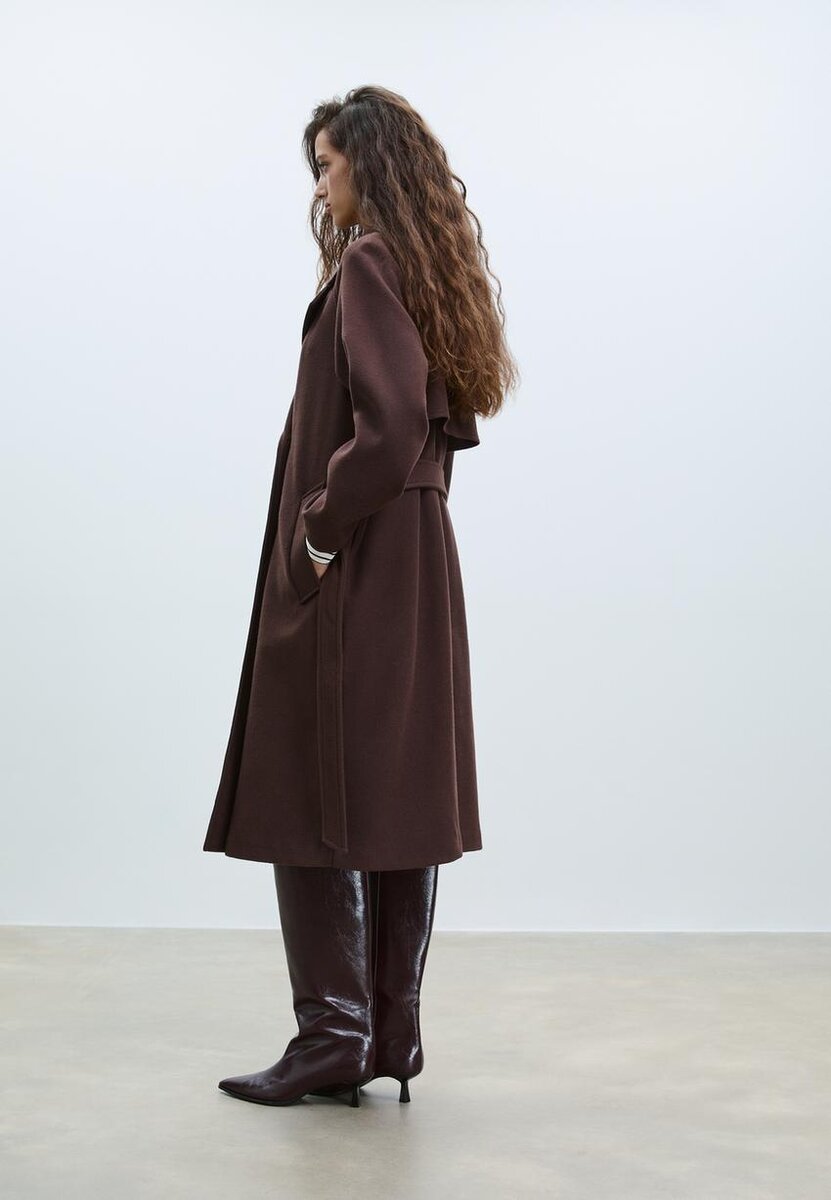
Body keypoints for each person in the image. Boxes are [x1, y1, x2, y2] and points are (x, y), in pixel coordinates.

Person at [203, 85, 519, 1107]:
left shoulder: (372, 263)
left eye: (328, 165)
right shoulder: (420, 269)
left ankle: (335, 1034)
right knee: (387, 790)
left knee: (313, 789)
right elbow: (433, 434)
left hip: (361, 563)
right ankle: (388, 1032)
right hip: (409, 558)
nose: (319, 186)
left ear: (369, 167)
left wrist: (317, 534)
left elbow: (387, 432)